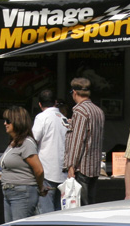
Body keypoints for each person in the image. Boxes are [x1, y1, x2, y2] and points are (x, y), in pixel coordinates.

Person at [0, 106, 47, 223]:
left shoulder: (27, 143)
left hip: (22, 193)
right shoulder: (14, 142)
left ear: (17, 121)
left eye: (8, 121)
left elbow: (39, 170)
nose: (5, 123)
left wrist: (40, 187)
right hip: (10, 191)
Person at [64, 77, 105, 206]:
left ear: (74, 93)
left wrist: (71, 165)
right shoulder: (98, 111)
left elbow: (78, 141)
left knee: (80, 207)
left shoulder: (80, 111)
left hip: (81, 167)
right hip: (94, 166)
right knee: (91, 205)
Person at [32, 89, 68, 213]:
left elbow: (33, 141)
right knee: (59, 214)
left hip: (46, 172)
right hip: (63, 173)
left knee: (46, 215)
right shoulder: (64, 119)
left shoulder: (42, 117)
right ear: (55, 102)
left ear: (40, 104)